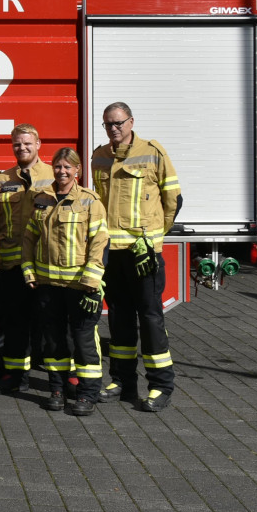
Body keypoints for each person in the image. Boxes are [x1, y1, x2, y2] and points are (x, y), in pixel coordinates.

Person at [91, 102, 182, 412]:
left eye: (118, 123)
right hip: (113, 255)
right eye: (107, 124)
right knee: (119, 318)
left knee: (151, 318)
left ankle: (161, 385)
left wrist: (154, 238)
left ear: (131, 122)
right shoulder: (99, 157)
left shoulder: (153, 152)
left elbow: (173, 200)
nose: (113, 128)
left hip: (143, 255)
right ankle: (123, 381)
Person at [23, 148, 109, 415]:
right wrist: (29, 271)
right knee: (54, 341)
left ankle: (87, 394)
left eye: (67, 167)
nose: (61, 172)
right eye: (57, 167)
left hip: (79, 285)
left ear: (77, 170)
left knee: (83, 341)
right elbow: (29, 238)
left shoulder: (90, 201)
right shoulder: (42, 199)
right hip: (48, 285)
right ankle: (57, 389)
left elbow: (100, 241)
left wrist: (92, 278)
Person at [0, 124, 55, 395]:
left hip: (45, 265)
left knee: (51, 323)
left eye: (27, 143)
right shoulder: (2, 180)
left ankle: (57, 381)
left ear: (38, 143)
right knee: (15, 323)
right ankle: (15, 376)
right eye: (17, 144)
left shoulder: (54, 175)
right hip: (12, 265)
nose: (22, 148)